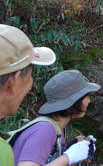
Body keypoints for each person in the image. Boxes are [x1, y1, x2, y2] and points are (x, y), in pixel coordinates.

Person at [0, 24, 89, 166]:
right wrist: (68, 158)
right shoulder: (45, 130)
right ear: (14, 81)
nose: (30, 86)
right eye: (30, 75)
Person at [11, 70, 100, 166]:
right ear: (74, 102)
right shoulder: (45, 130)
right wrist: (68, 157)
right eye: (86, 96)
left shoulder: (56, 128)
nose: (89, 100)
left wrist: (71, 148)